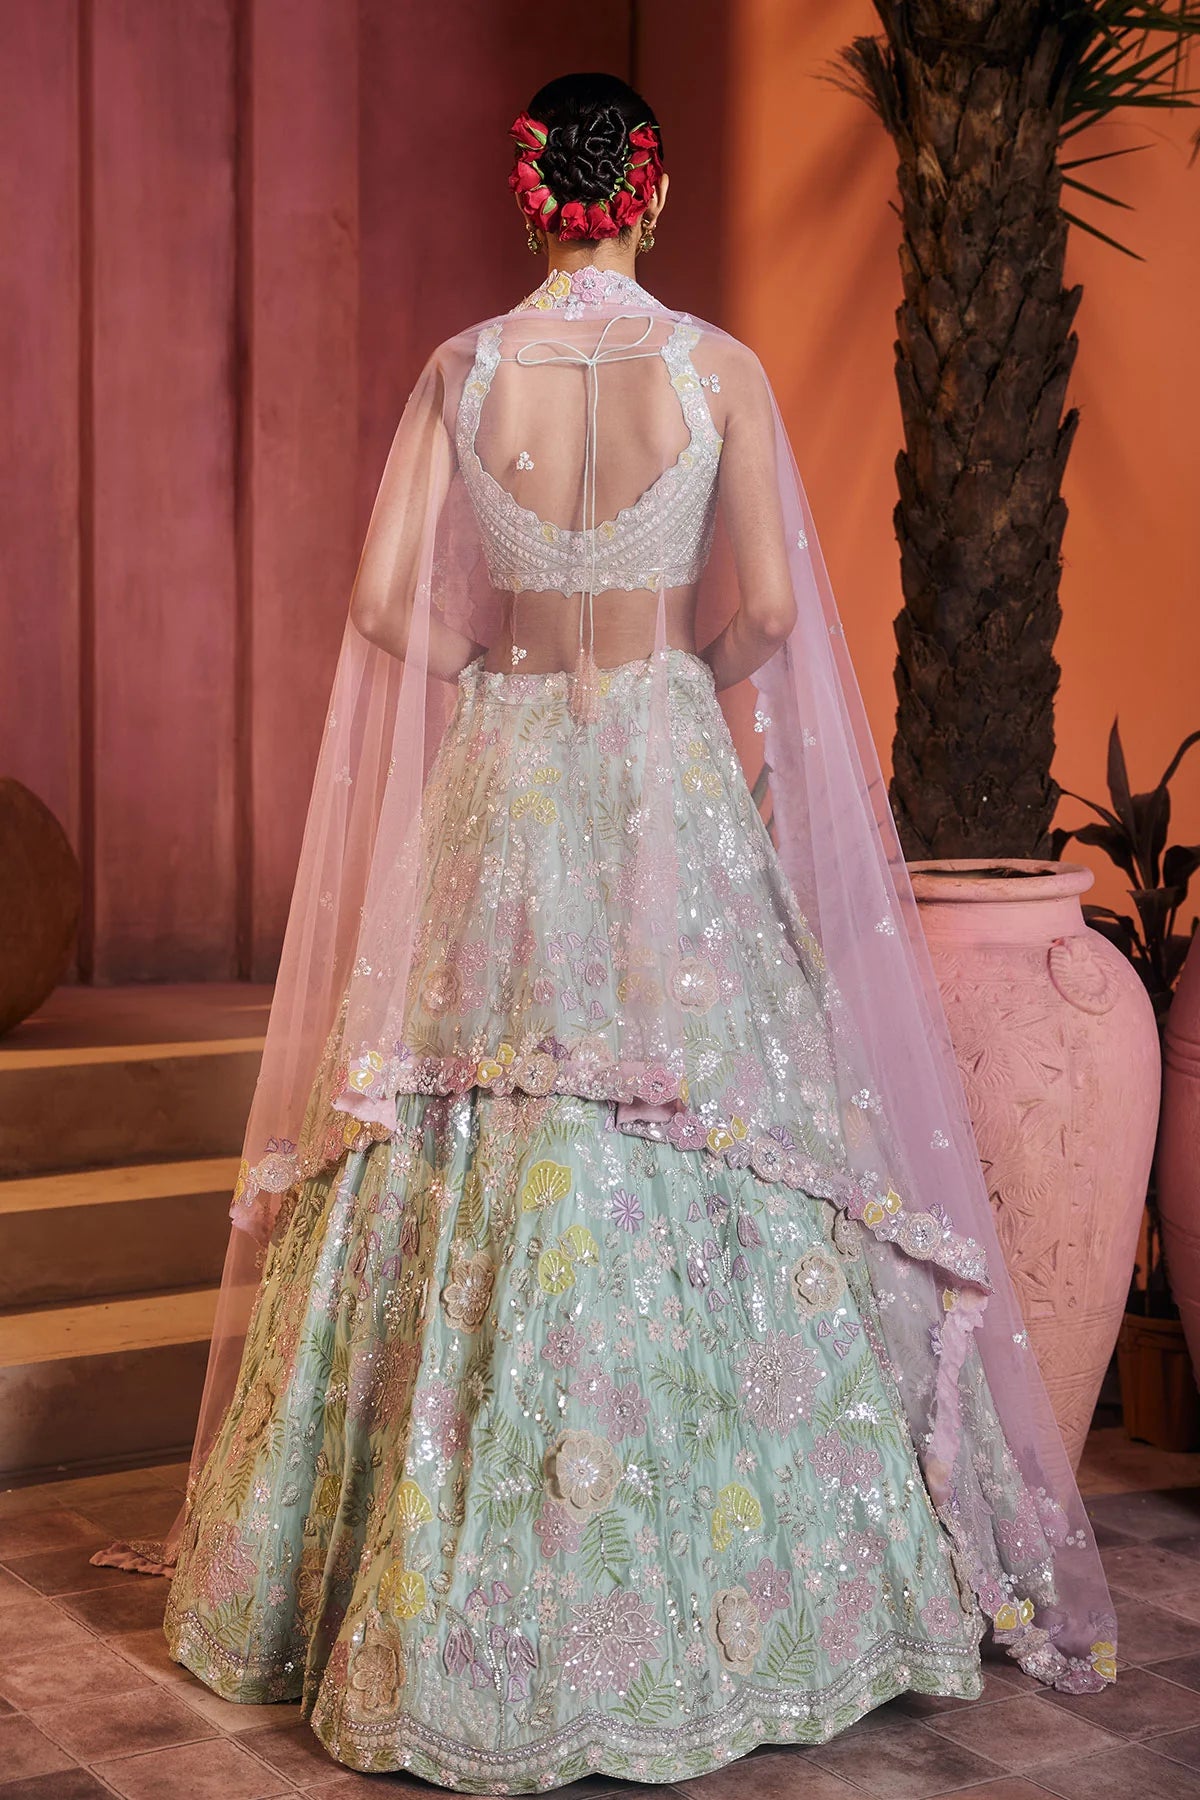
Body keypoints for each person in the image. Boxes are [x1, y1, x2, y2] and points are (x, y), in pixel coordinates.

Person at [107, 70, 1117, 1792]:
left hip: (510, 762)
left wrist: (497, 672)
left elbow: (381, 605)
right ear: (647, 197)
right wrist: (679, 680)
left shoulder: (464, 371)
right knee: (697, 1104)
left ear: (536, 200)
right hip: (657, 762)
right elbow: (773, 609)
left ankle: (427, 1583)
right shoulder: (715, 371)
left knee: (478, 1099)